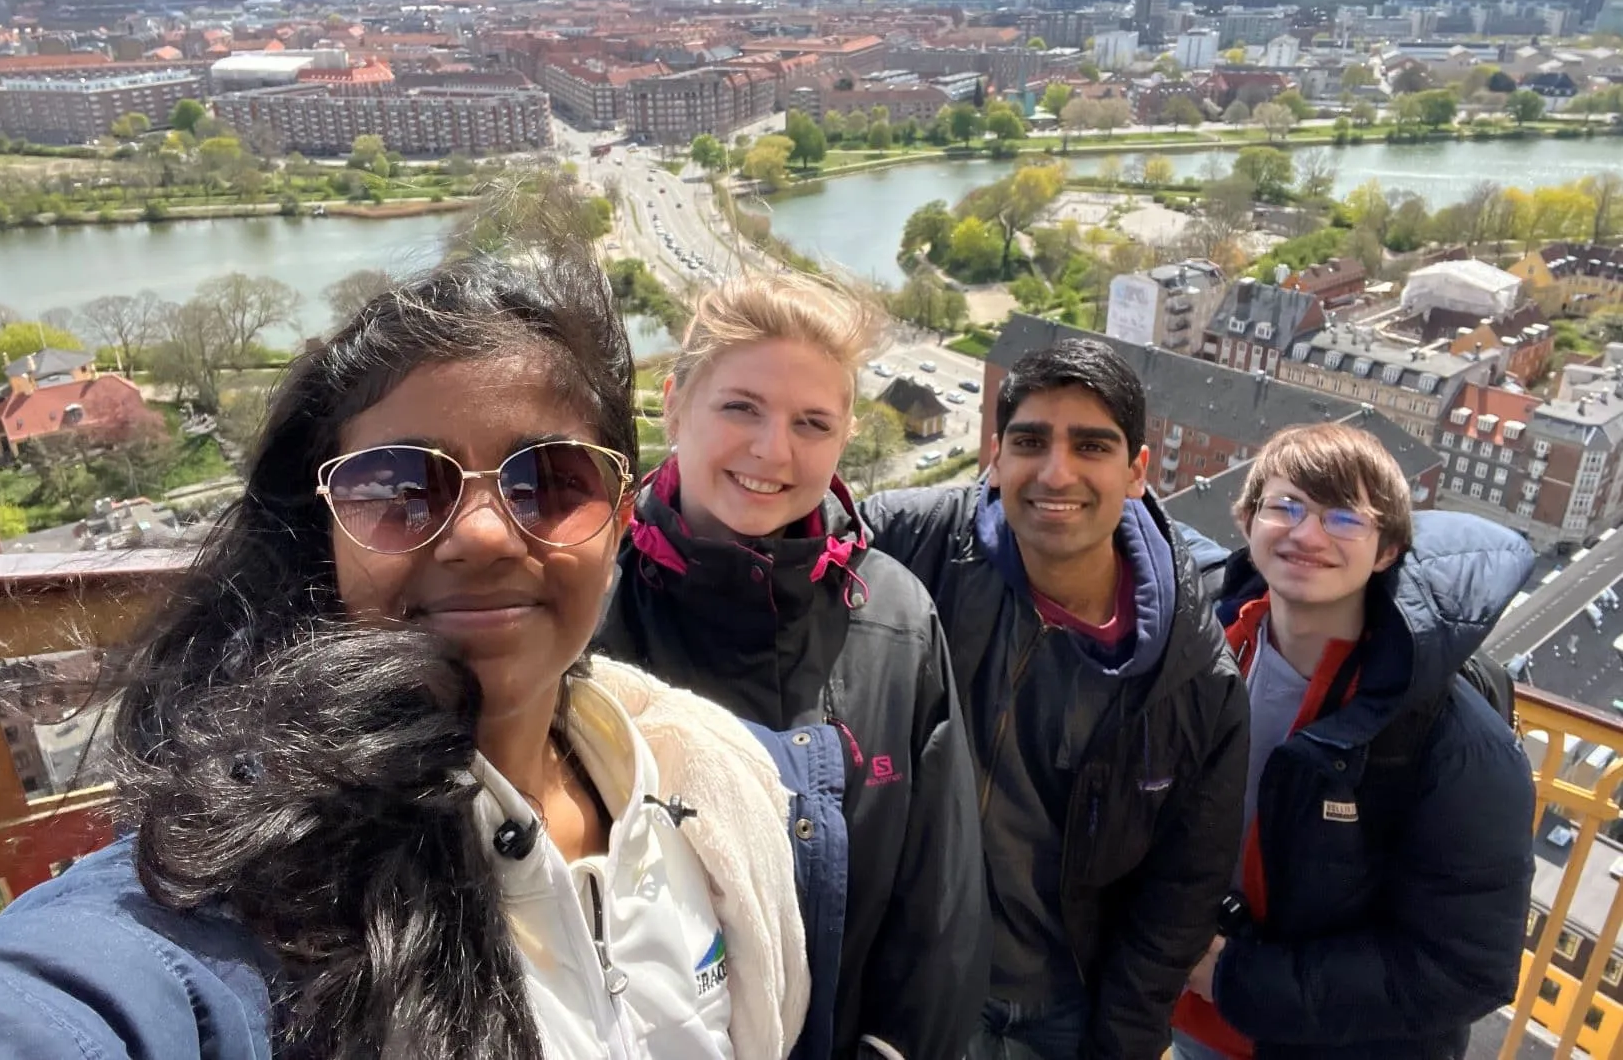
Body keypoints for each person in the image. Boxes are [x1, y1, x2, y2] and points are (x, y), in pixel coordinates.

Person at [0, 229, 810, 1060]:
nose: (481, 536)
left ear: (622, 513)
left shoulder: (715, 792)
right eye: (398, 486)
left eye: (549, 480)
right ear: (324, 535)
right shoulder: (259, 885)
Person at [594, 271, 988, 1060]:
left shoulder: (894, 618)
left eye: (812, 422)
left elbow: (939, 910)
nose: (773, 450)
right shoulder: (589, 613)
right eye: (741, 407)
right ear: (674, 404)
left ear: (844, 438)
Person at [859, 338, 1250, 1060]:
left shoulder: (1193, 676)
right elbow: (780, 532)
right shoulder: (918, 543)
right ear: (997, 456)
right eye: (1030, 441)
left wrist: (1120, 1044)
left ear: (1137, 472)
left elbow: (1181, 894)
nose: (1056, 471)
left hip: (1060, 1012)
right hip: (903, 985)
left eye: (1091, 446)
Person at [1170, 423, 1535, 1060]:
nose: (1307, 535)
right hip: (1193, 1019)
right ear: (1247, 521)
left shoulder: (1454, 742)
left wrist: (1236, 980)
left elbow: (1465, 966)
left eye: (1344, 518)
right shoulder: (1205, 650)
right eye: (1285, 507)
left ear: (1388, 549)